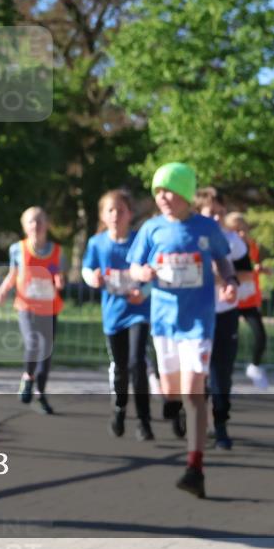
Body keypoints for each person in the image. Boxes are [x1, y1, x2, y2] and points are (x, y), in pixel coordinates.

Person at [128, 163, 238, 498]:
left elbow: (222, 260)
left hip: (199, 321)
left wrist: (230, 281)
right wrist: (142, 274)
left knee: (194, 393)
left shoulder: (205, 228)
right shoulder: (151, 229)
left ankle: (195, 467)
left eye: (168, 190)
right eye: (157, 190)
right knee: (170, 392)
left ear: (186, 194)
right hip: (163, 320)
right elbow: (135, 264)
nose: (161, 196)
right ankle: (171, 406)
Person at [82, 189, 154, 441]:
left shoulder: (140, 240)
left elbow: (153, 275)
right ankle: (120, 409)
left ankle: (144, 421)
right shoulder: (97, 243)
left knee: (138, 363)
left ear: (129, 214)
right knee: (121, 367)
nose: (115, 215)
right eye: (110, 210)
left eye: (120, 210)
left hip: (138, 311)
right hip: (113, 313)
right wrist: (93, 278)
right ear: (103, 215)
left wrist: (143, 292)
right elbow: (87, 269)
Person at [0, 206, 65, 415]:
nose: (36, 225)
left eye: (40, 221)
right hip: (26, 306)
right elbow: (13, 274)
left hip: (50, 308)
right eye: (31, 221)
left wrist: (60, 282)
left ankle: (41, 394)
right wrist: (2, 291)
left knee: (46, 352)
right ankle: (27, 378)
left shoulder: (57, 251)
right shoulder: (18, 249)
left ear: (47, 225)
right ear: (25, 226)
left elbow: (60, 277)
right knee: (33, 342)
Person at [193, 188, 247, 450]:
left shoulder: (234, 242)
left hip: (225, 312)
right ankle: (192, 415)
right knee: (196, 371)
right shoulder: (191, 238)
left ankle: (221, 423)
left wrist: (231, 282)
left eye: (220, 213)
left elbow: (247, 273)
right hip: (196, 312)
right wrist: (217, 278)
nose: (215, 218)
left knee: (221, 372)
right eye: (210, 213)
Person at [224, 212, 270, 390]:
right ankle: (225, 378)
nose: (241, 234)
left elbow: (251, 268)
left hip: (249, 299)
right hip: (232, 299)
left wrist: (260, 269)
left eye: (243, 229)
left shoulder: (252, 247)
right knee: (230, 341)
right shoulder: (226, 246)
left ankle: (255, 366)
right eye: (236, 230)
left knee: (260, 335)